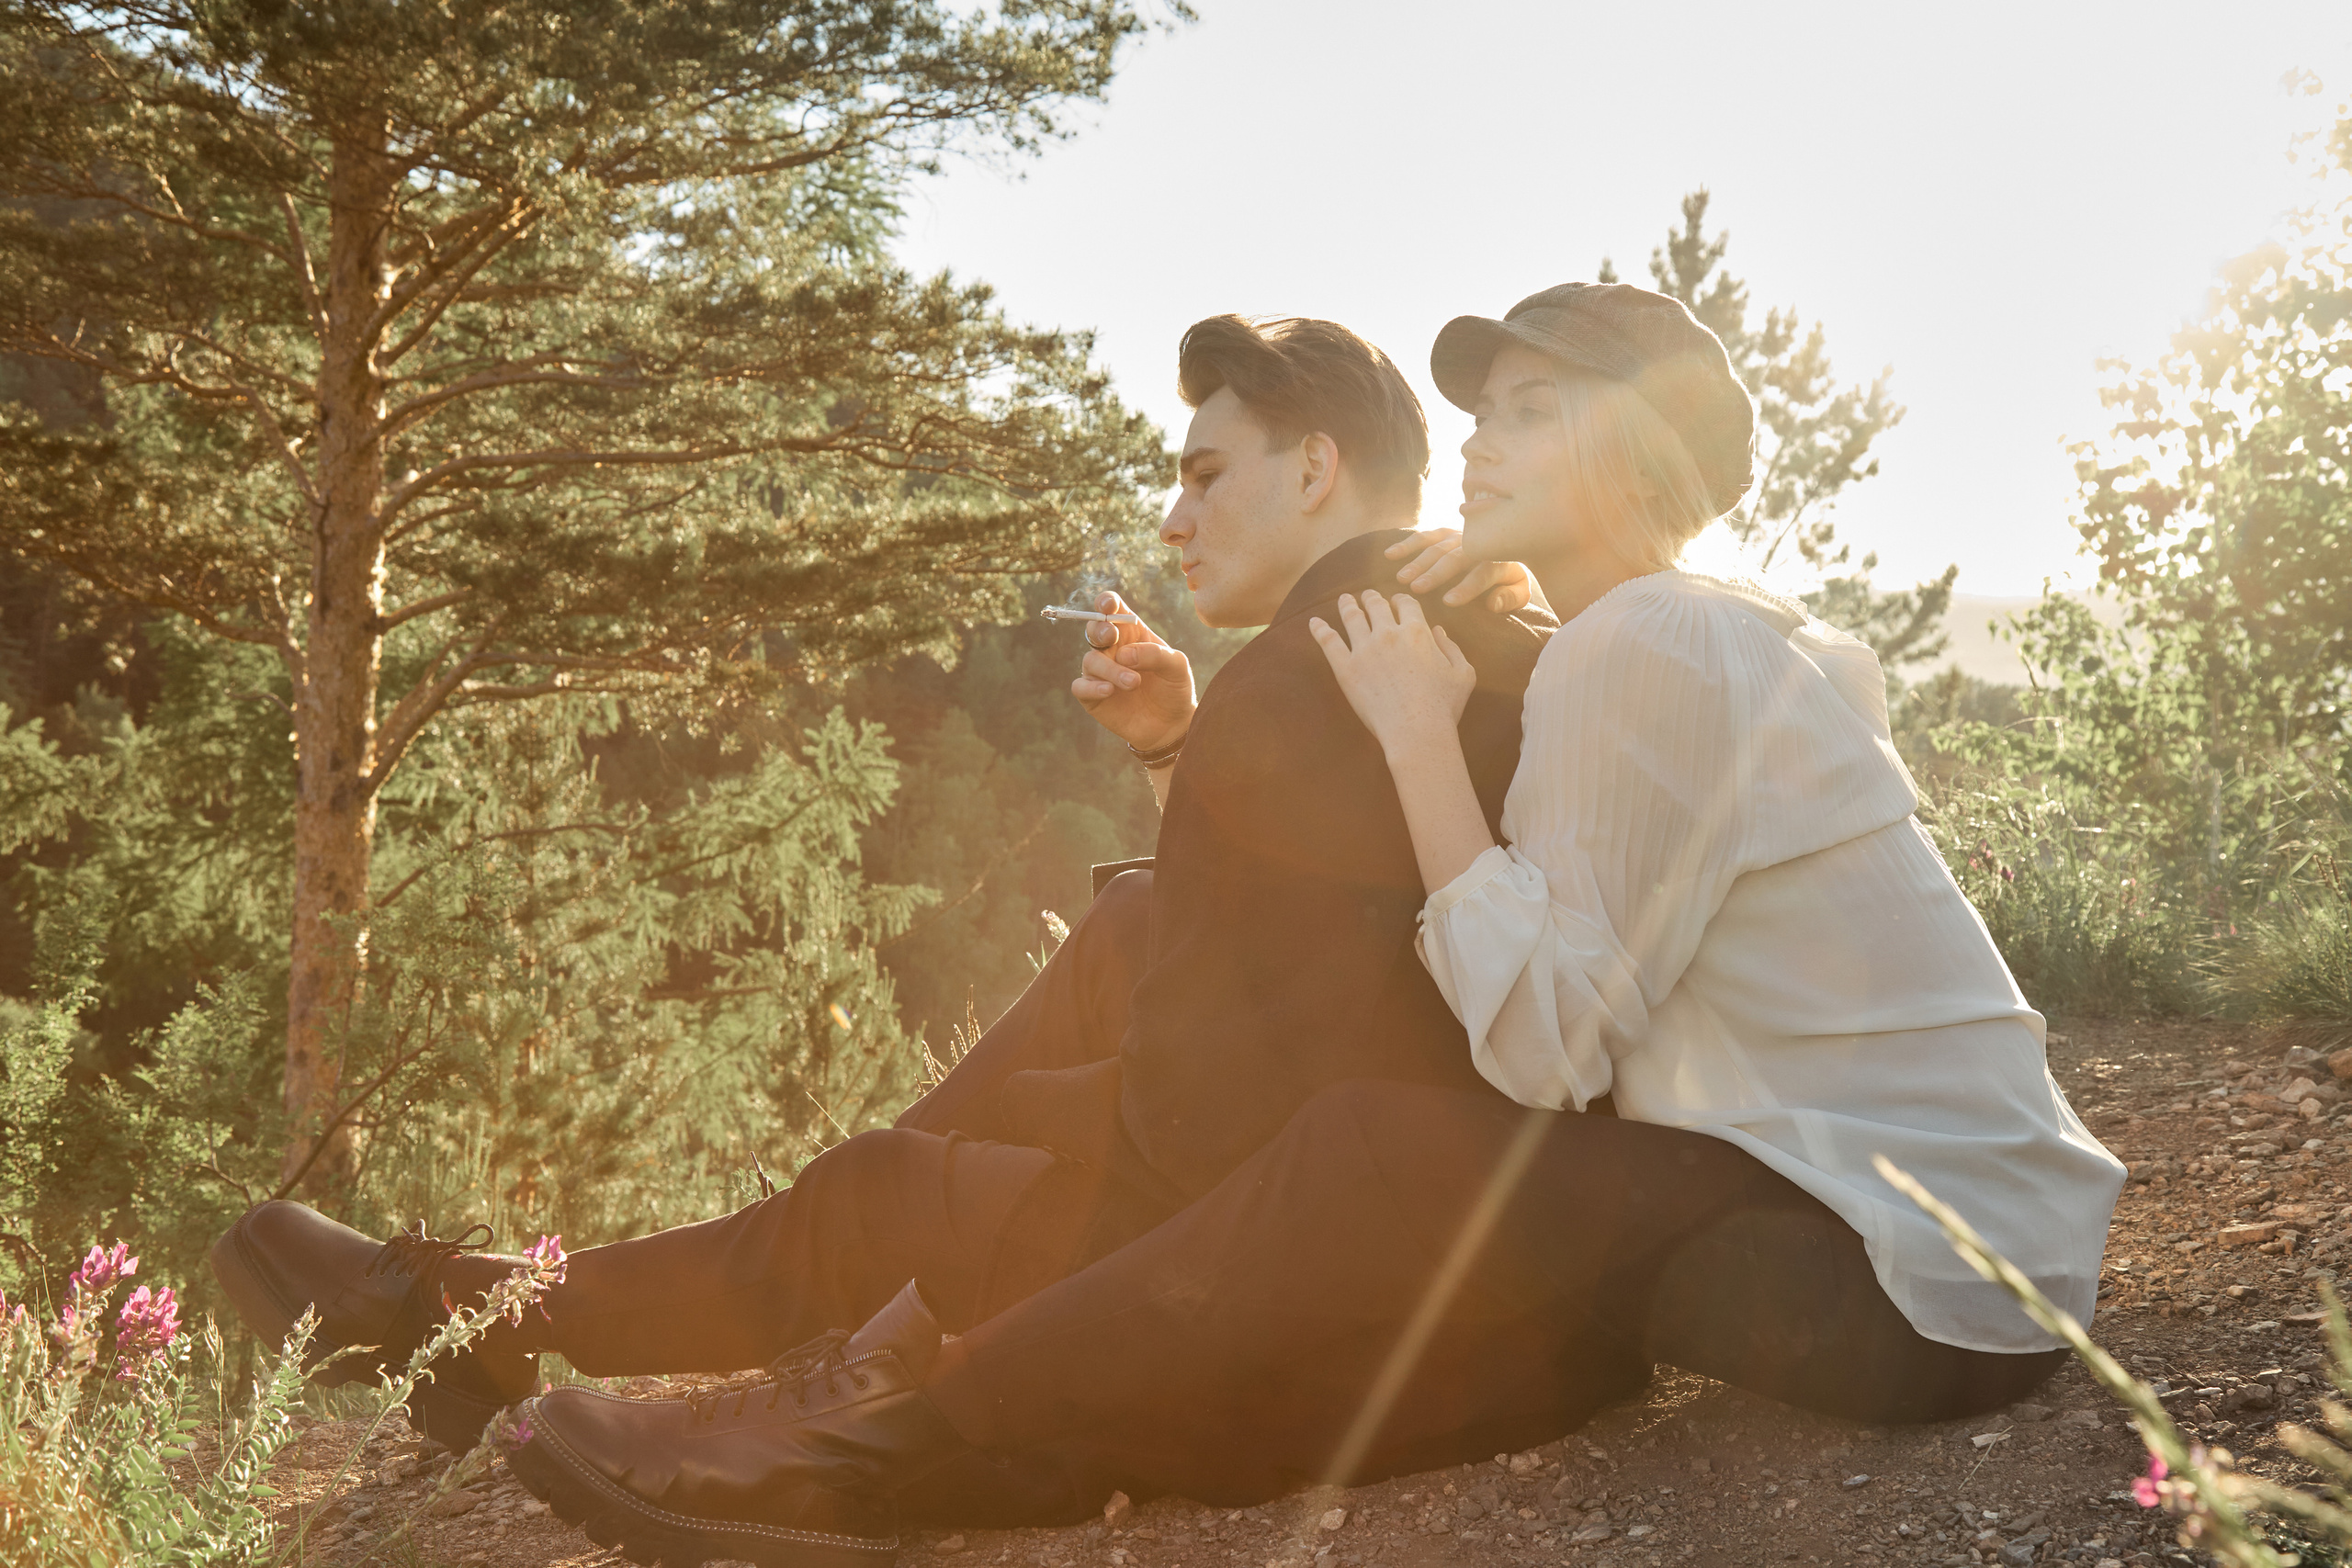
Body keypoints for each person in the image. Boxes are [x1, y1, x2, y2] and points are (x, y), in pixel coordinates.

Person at [492, 285, 2123, 1568]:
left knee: (1370, 1163)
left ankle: (874, 1443)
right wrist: (1211, 749)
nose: (1479, 446)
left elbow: (1548, 1042)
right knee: (1367, 1214)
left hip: (1913, 1282)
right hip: (1955, 1246)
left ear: (1636, 457)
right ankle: (898, 1406)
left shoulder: (1650, 648)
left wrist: (1416, 732)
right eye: (1482, 413)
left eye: (1534, 416)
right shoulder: (1699, 638)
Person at [209, 314, 1552, 1518]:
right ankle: (654, 1301)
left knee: (881, 1193)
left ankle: (480, 1311)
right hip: (1370, 1167)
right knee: (1130, 930)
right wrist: (1173, 756)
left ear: (1315, 470)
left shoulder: (1322, 667)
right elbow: (1321, 923)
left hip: (1271, 1251)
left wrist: (985, 1168)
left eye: (1205, 475)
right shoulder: (1417, 619)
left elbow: (1210, 1116)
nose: (1173, 520)